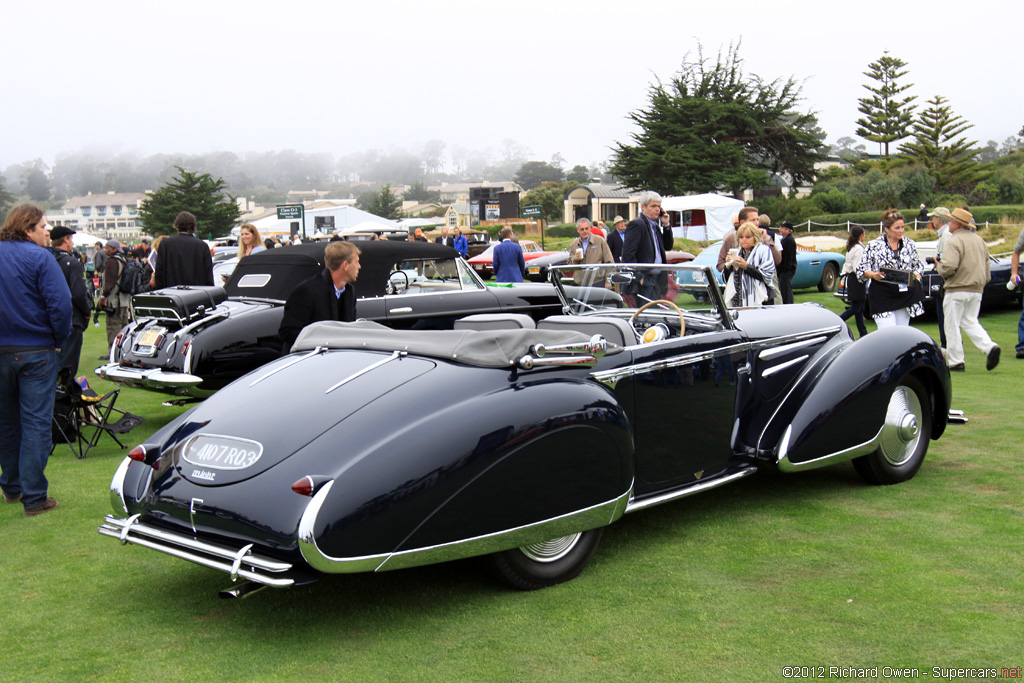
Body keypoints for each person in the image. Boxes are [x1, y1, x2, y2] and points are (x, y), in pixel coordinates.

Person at [0, 204, 72, 516]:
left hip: (4, 350)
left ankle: (13, 487)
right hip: (36, 350)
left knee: (6, 423)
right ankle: (33, 497)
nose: (48, 231)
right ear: (28, 229)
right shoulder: (41, 257)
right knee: (35, 423)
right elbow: (60, 304)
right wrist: (57, 340)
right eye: (43, 226)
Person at [936, 208, 1000, 372]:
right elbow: (987, 267)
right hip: (977, 289)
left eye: (950, 220)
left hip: (957, 288)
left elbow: (949, 266)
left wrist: (940, 267)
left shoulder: (954, 241)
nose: (948, 223)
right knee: (970, 321)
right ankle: (989, 346)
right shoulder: (980, 241)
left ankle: (957, 361)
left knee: (952, 324)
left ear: (957, 224)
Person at [278, 241, 361, 352]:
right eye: (356, 262)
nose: (359, 267)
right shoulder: (307, 291)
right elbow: (287, 332)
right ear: (345, 265)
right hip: (307, 360)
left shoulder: (350, 292)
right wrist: (319, 341)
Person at [857, 209, 925, 329]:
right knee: (887, 333)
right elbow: (861, 269)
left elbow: (917, 266)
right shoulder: (874, 245)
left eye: (903, 227)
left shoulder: (910, 244)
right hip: (882, 294)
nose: (901, 231)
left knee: (901, 333)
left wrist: (917, 279)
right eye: (897, 228)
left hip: (904, 294)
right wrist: (873, 275)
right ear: (887, 229)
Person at [49, 226, 93, 379]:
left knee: (52, 365)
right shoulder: (71, 262)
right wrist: (87, 313)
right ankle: (64, 400)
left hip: (48, 319)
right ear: (66, 239)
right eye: (71, 239)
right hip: (71, 317)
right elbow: (78, 293)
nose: (72, 243)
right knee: (67, 366)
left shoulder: (45, 259)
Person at [622, 191, 674, 301]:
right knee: (645, 315)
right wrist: (639, 277)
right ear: (643, 207)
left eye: (659, 206)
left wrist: (666, 225)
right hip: (643, 281)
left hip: (656, 279)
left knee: (655, 314)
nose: (657, 209)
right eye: (653, 206)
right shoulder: (637, 224)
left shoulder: (655, 226)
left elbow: (668, 246)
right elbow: (628, 254)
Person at [153, 211, 214, 289]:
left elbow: (159, 274)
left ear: (177, 226)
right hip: (196, 295)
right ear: (193, 227)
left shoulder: (165, 244)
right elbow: (208, 277)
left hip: (171, 293)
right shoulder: (202, 246)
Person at [722, 222, 776, 308]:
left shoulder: (764, 251)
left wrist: (746, 266)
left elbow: (767, 275)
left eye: (747, 237)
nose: (744, 240)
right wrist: (728, 265)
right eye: (741, 237)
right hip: (738, 299)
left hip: (760, 300)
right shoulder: (737, 252)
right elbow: (727, 278)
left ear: (755, 237)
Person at [97, 239, 131, 358]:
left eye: (107, 247)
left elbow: (109, 283)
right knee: (123, 327)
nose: (105, 249)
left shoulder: (112, 261)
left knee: (113, 327)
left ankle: (113, 353)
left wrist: (102, 297)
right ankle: (124, 352)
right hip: (124, 299)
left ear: (114, 249)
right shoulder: (124, 259)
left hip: (114, 300)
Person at [930, 207, 954, 348]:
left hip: (945, 280)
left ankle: (947, 345)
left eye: (933, 218)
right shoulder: (944, 234)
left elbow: (946, 259)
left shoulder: (946, 235)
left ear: (938, 219)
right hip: (944, 278)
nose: (932, 220)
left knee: (945, 315)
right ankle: (947, 343)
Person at [839, 226, 868, 338]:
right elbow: (857, 267)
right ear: (861, 235)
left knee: (860, 308)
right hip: (856, 279)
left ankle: (863, 332)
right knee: (856, 307)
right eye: (864, 234)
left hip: (853, 278)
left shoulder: (853, 247)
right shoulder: (859, 249)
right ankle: (839, 320)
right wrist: (866, 276)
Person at [567, 218, 614, 285]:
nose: (585, 231)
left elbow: (609, 261)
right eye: (582, 229)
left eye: (586, 228)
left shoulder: (600, 241)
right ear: (578, 230)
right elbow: (569, 265)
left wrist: (608, 280)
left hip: (598, 281)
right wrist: (575, 258)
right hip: (580, 283)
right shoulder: (574, 244)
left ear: (590, 228)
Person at [777, 220, 797, 304]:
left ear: (788, 230)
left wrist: (783, 268)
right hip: (784, 270)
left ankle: (788, 304)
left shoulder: (789, 240)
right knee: (784, 289)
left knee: (786, 290)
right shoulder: (784, 239)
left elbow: (789, 257)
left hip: (786, 270)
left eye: (782, 228)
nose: (780, 229)